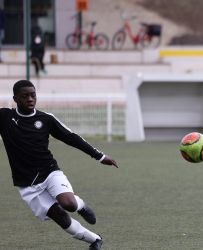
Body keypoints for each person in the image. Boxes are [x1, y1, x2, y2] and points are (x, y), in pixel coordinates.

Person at [0, 80, 118, 250]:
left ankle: (81, 205)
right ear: (15, 98)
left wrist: (99, 156)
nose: (30, 99)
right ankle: (94, 240)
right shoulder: (4, 117)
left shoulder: (46, 119)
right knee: (60, 217)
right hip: (26, 183)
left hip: (49, 172)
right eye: (25, 96)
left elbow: (72, 138)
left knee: (68, 203)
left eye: (33, 95)